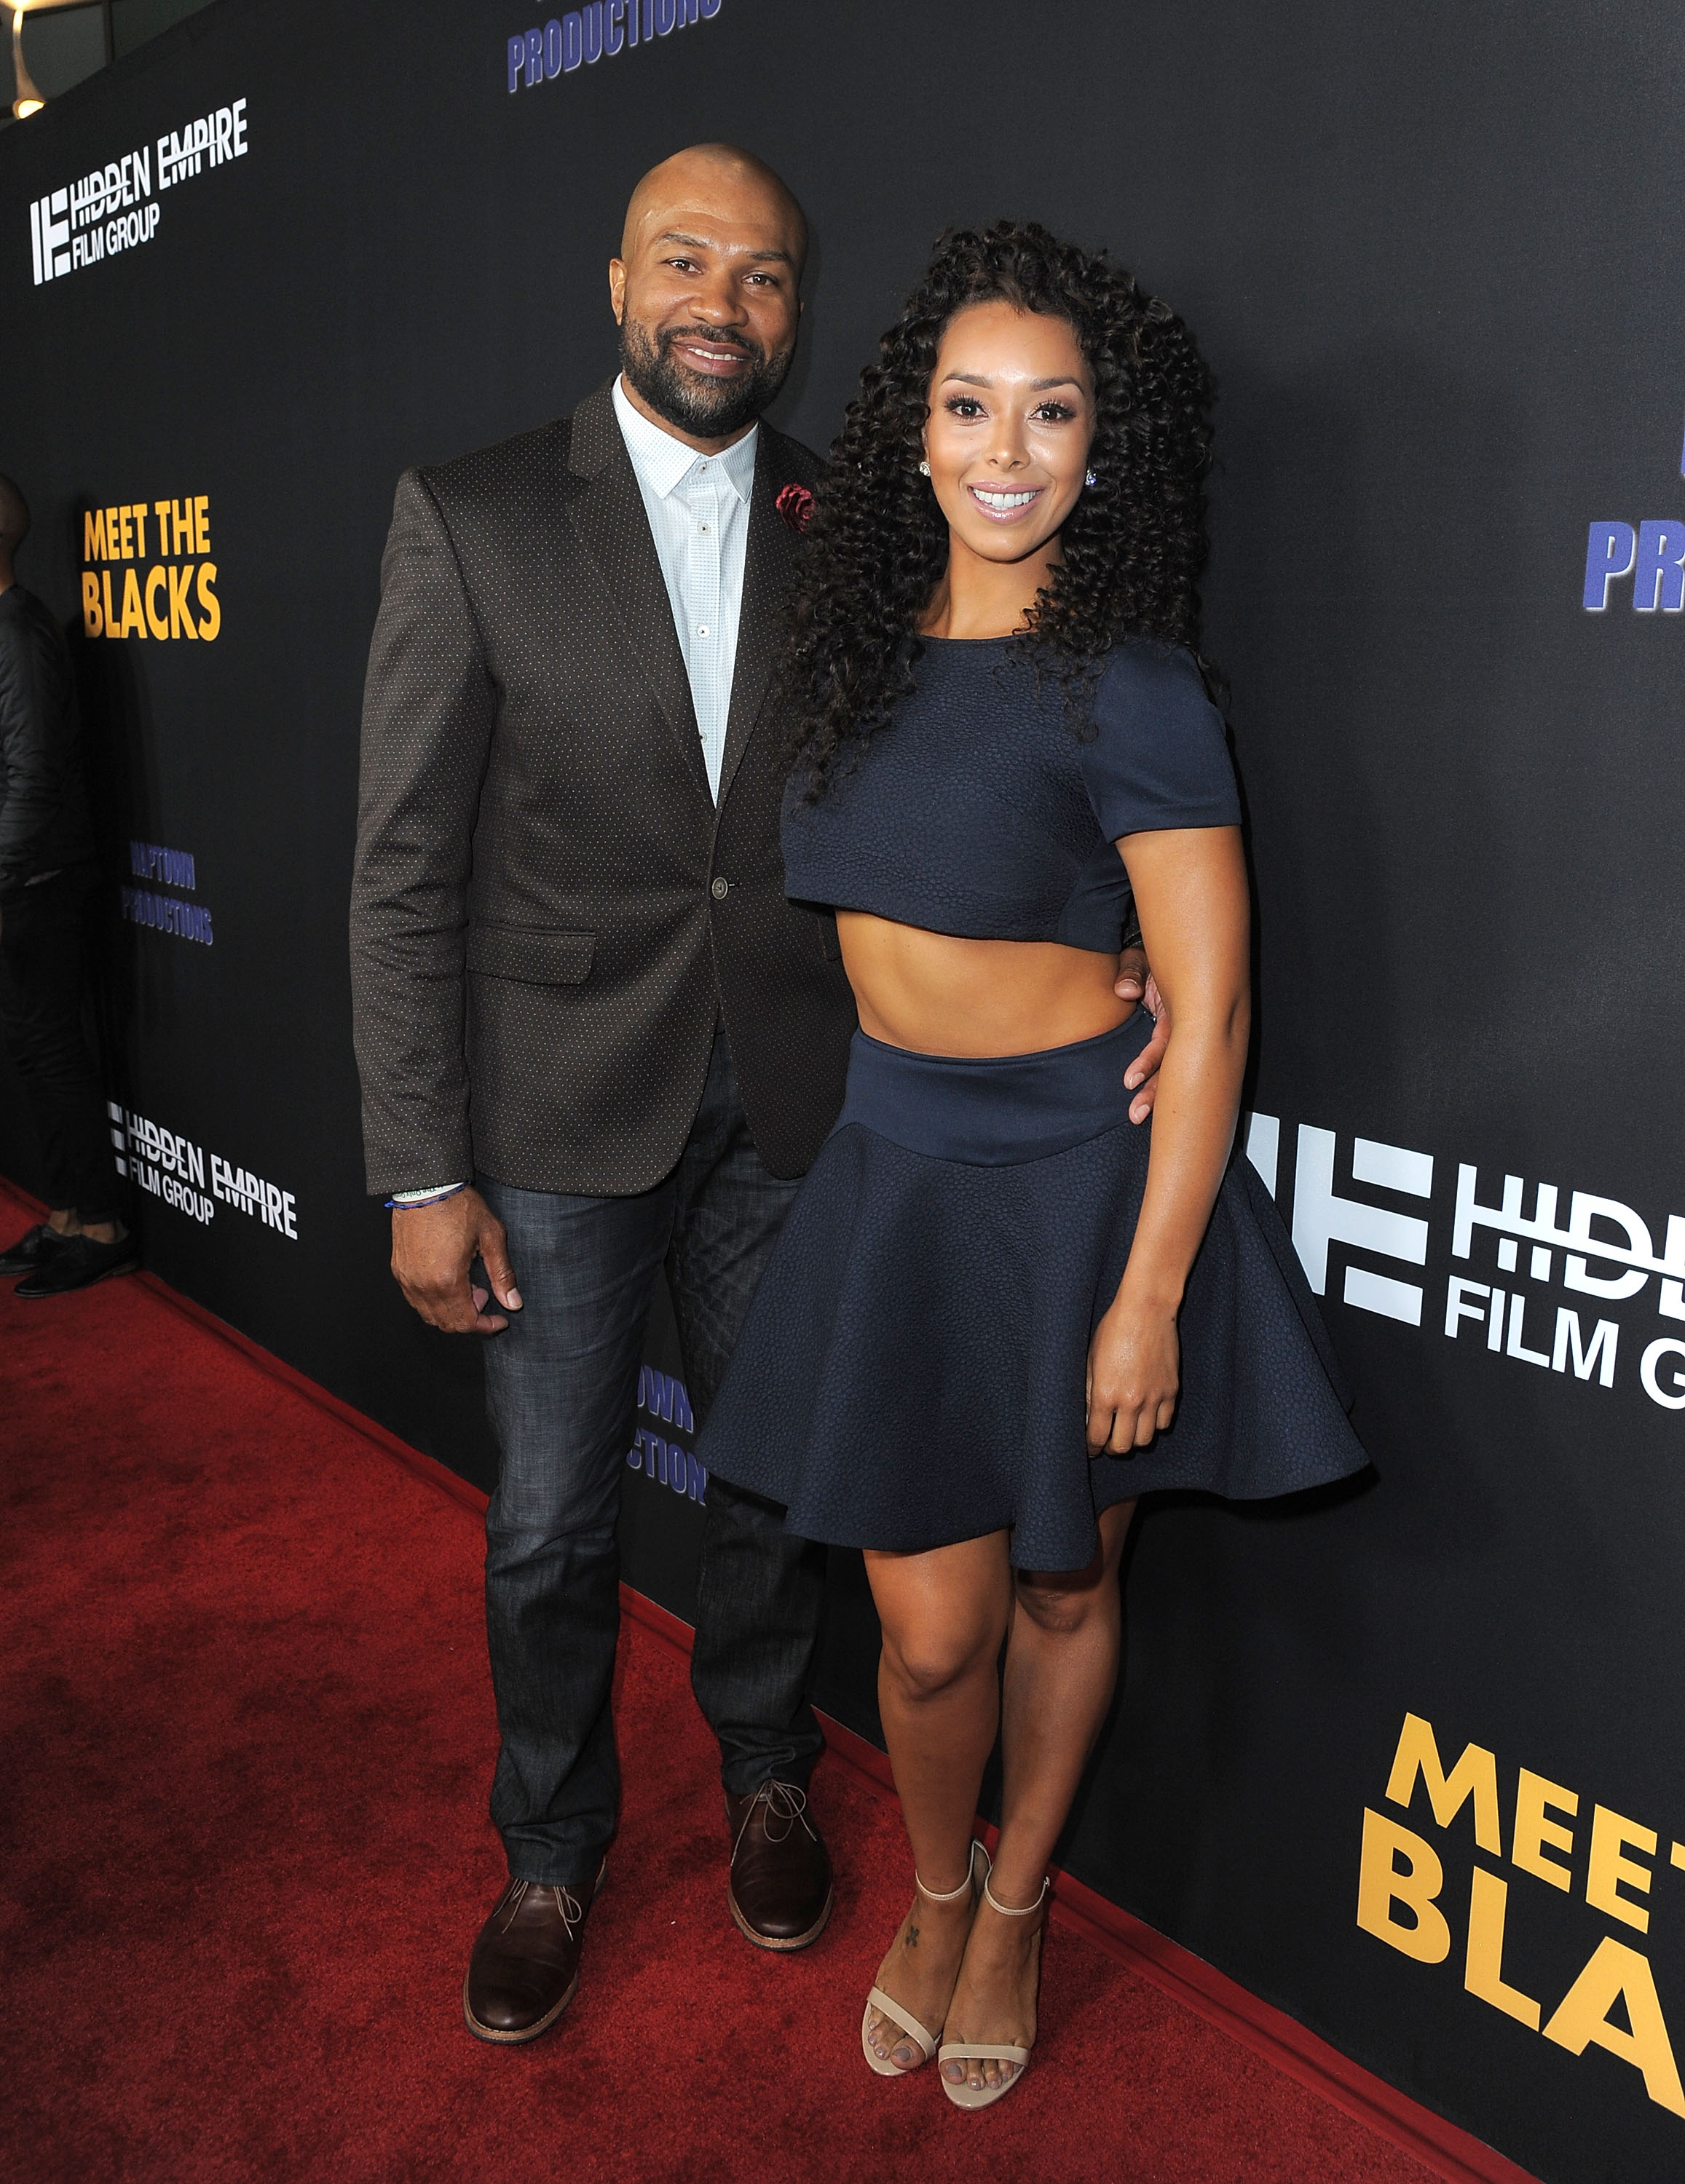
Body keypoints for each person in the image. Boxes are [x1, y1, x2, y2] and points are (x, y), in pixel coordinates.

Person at [352, 143, 1179, 2046]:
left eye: (766, 276)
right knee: (553, 1520)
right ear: (618, 279)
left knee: (782, 1483)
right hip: (558, 1110)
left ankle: (770, 1778)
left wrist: (1114, 951)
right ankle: (550, 1850)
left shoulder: (864, 531)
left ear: (800, 309)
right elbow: (402, 867)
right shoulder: (468, 512)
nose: (722, 304)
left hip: (815, 1104)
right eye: (685, 262)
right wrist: (417, 1164)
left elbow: (988, 773)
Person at [697, 221, 1368, 2111]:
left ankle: (1016, 1902)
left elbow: (1213, 1010)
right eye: (969, 404)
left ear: (1102, 446)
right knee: (925, 1637)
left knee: (1070, 1591)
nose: (1006, 447)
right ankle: (932, 1875)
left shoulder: (1134, 686)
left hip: (1087, 1187)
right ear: (913, 430)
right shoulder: (842, 657)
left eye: (1050, 412)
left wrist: (1152, 1288)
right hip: (900, 1179)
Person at [0, 473, 133, 1299]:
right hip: (18, 878)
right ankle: (67, 1212)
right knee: (32, 1051)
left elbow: (33, 776)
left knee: (52, 1054)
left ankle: (103, 1226)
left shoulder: (19, 633)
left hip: (34, 883)